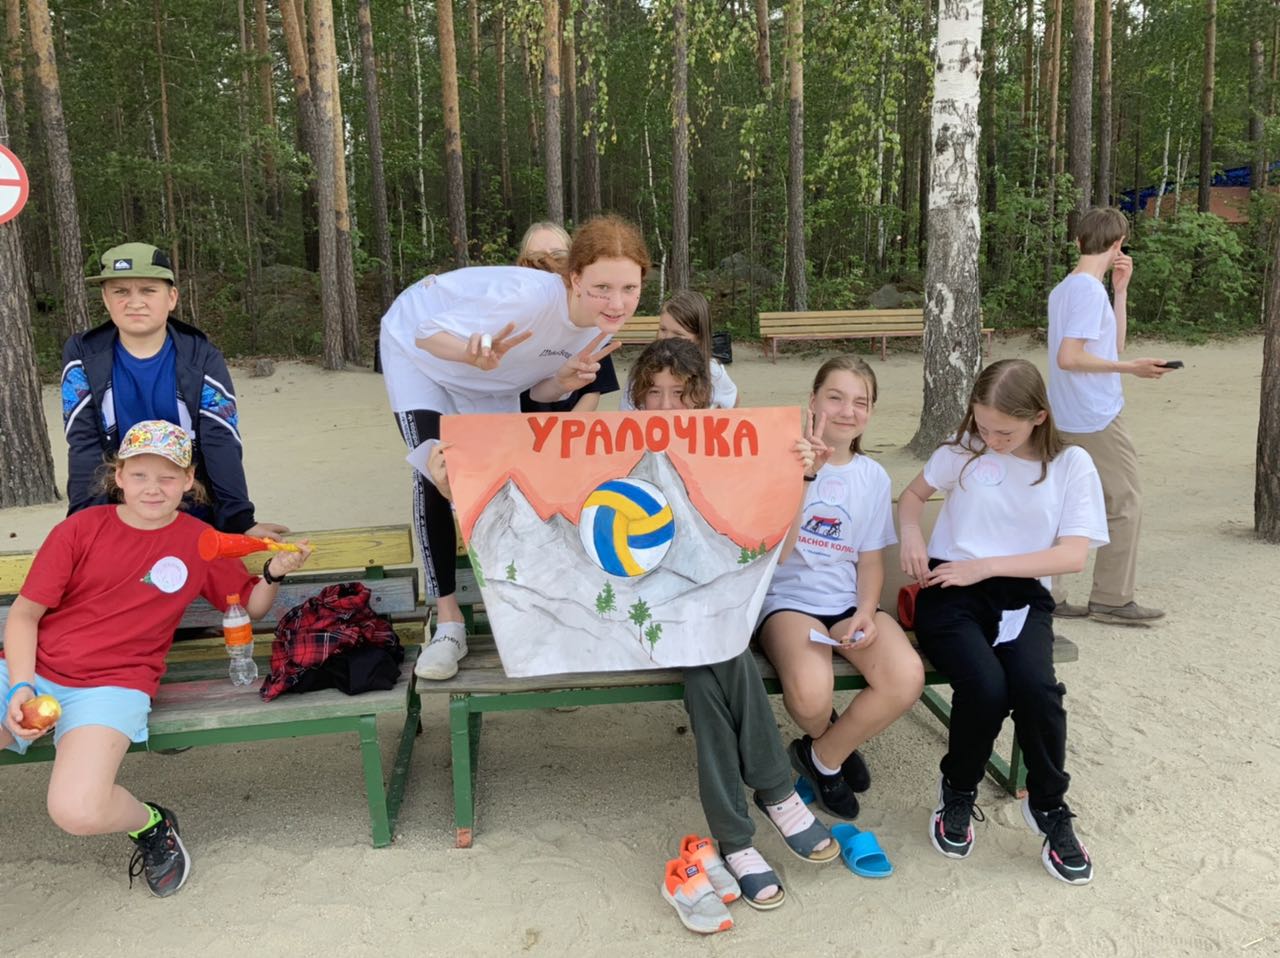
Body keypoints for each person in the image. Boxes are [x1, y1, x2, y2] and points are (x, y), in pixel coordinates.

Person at [0, 420, 312, 898]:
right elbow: (24, 615)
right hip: (29, 669)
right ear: (118, 476)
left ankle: (150, 823)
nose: (153, 488)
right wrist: (21, 687)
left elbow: (250, 605)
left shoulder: (200, 540)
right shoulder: (79, 529)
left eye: (168, 477)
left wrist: (273, 572)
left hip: (111, 687)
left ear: (188, 480)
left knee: (78, 811)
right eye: (140, 475)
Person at [380, 214, 648, 681]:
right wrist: (469, 353)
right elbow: (423, 332)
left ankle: (523, 607)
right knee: (437, 469)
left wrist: (562, 381)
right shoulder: (527, 297)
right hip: (421, 358)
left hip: (490, 378)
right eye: (603, 288)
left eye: (630, 289)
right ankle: (448, 624)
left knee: (503, 477)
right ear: (575, 278)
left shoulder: (601, 326)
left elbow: (539, 391)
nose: (617, 302)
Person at [897, 359, 1107, 886]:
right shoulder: (963, 448)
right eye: (983, 425)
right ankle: (958, 789)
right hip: (950, 591)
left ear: (1038, 417)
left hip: (1020, 594)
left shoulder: (1071, 464)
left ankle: (1049, 805)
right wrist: (913, 534)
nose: (991, 440)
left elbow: (1072, 555)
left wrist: (986, 566)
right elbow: (913, 496)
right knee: (986, 687)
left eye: (1004, 432)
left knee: (1037, 689)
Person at [757, 356, 924, 820]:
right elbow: (779, 553)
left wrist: (867, 611)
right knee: (812, 696)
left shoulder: (872, 477)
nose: (848, 411)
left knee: (905, 676)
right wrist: (806, 477)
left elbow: (869, 560)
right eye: (835, 397)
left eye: (860, 402)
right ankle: (831, 736)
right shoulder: (782, 460)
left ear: (870, 412)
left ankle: (823, 757)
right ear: (813, 401)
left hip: (846, 602)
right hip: (788, 602)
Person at [62, 242, 287, 539]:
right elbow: (84, 443)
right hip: (117, 511)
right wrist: (86, 524)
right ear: (106, 298)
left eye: (148, 290)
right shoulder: (82, 355)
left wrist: (238, 520)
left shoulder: (201, 357)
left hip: (191, 508)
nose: (135, 302)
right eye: (120, 291)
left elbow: (221, 439)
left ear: (171, 297)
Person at [1047, 207, 1173, 626]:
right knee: (1125, 501)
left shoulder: (1068, 289)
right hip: (1094, 415)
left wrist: (1120, 292)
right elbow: (1070, 357)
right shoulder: (1085, 291)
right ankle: (1112, 598)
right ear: (1118, 244)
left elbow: (1110, 345)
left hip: (1067, 412)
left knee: (1064, 502)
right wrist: (1131, 369)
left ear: (1079, 242)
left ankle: (1049, 593)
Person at [515, 221, 621, 414]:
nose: (546, 263)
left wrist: (568, 426)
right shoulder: (510, 318)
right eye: (535, 257)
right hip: (514, 423)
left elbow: (593, 390)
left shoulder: (590, 321)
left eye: (557, 254)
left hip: (569, 424)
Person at [619, 289, 738, 410]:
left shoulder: (713, 371)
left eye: (678, 334)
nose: (667, 338)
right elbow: (627, 412)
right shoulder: (644, 369)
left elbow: (732, 399)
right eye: (663, 329)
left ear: (699, 337)